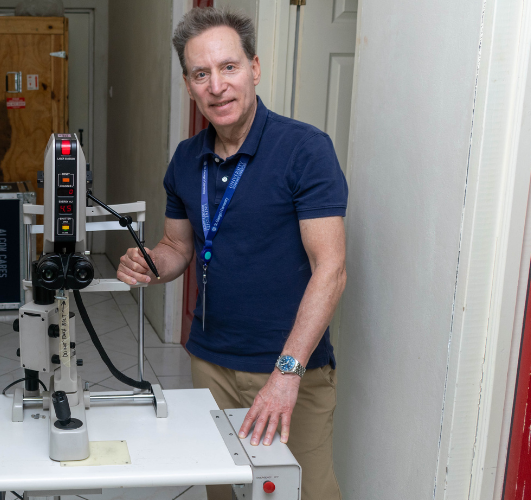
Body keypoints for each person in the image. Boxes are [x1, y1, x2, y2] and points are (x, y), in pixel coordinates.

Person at [116, 7, 347, 500]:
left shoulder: (305, 149)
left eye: (229, 67)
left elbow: (332, 269)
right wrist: (149, 264)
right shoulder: (185, 158)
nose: (217, 85)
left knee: (302, 493)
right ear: (188, 84)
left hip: (291, 368)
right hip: (211, 364)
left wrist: (287, 376)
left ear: (255, 68)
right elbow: (177, 246)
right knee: (224, 491)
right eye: (202, 74)